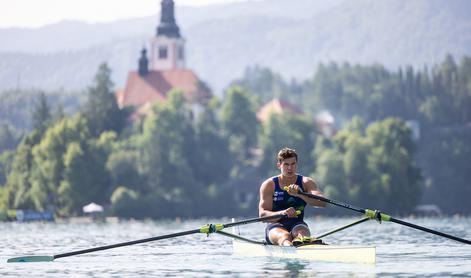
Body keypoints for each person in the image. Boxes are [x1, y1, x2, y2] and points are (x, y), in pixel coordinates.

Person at [258, 147, 326, 246]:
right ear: (279, 165)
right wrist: (283, 213)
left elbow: (322, 202)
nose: (290, 168)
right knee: (285, 236)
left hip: (297, 224)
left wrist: (300, 194)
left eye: (293, 164)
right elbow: (263, 216)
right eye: (286, 164)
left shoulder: (306, 182)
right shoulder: (269, 185)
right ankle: (289, 246)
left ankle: (302, 243)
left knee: (302, 234)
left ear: (296, 164)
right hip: (275, 226)